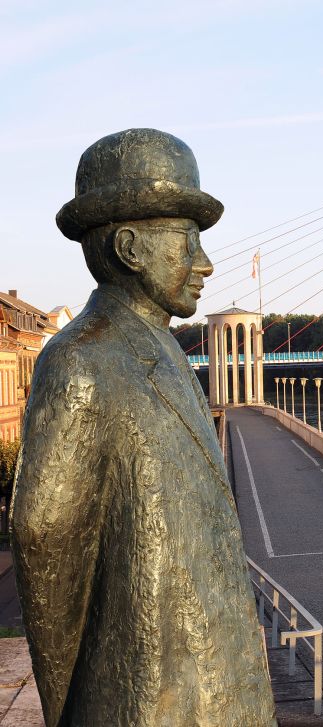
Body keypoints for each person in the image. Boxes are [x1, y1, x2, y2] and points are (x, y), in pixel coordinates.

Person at [12, 128, 276, 726]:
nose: (205, 264)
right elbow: (43, 534)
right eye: (187, 242)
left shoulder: (160, 349)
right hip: (150, 699)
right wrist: (72, 703)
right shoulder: (83, 358)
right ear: (131, 248)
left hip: (209, 690)